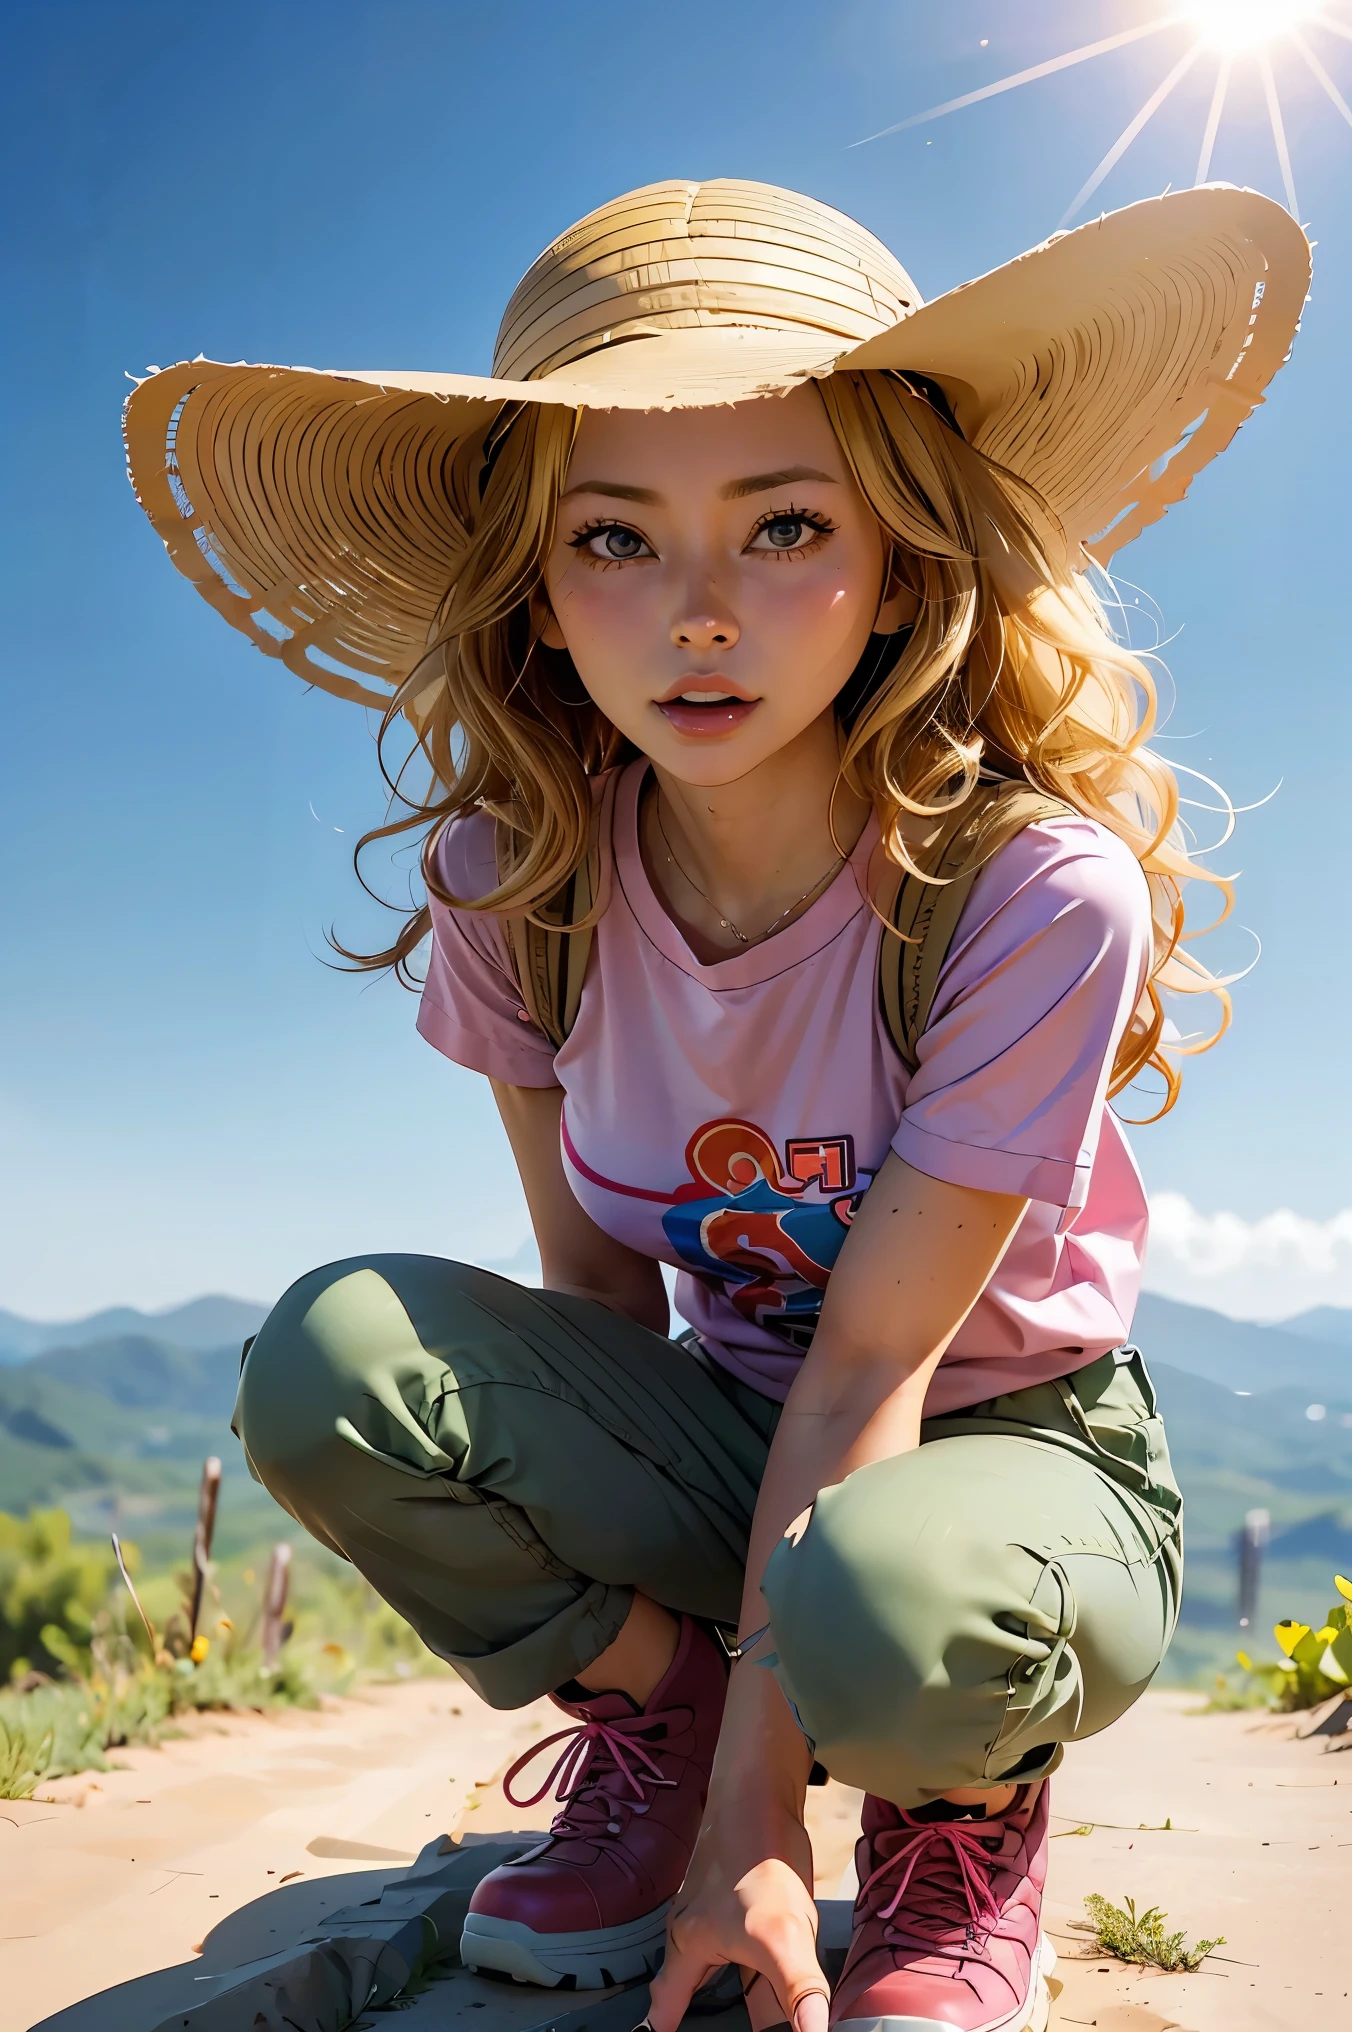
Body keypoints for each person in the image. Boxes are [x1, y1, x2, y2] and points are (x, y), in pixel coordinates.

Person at [125, 179, 1308, 2032]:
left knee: (894, 1602)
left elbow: (870, 1379)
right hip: (730, 1442)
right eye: (617, 535)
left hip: (1011, 1457)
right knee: (333, 1364)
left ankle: (955, 1813)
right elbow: (594, 1306)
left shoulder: (1021, 893)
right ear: (539, 579)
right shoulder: (516, 878)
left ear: (902, 560)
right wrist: (701, 1738)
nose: (697, 614)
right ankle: (663, 1716)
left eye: (783, 528)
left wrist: (763, 1845)